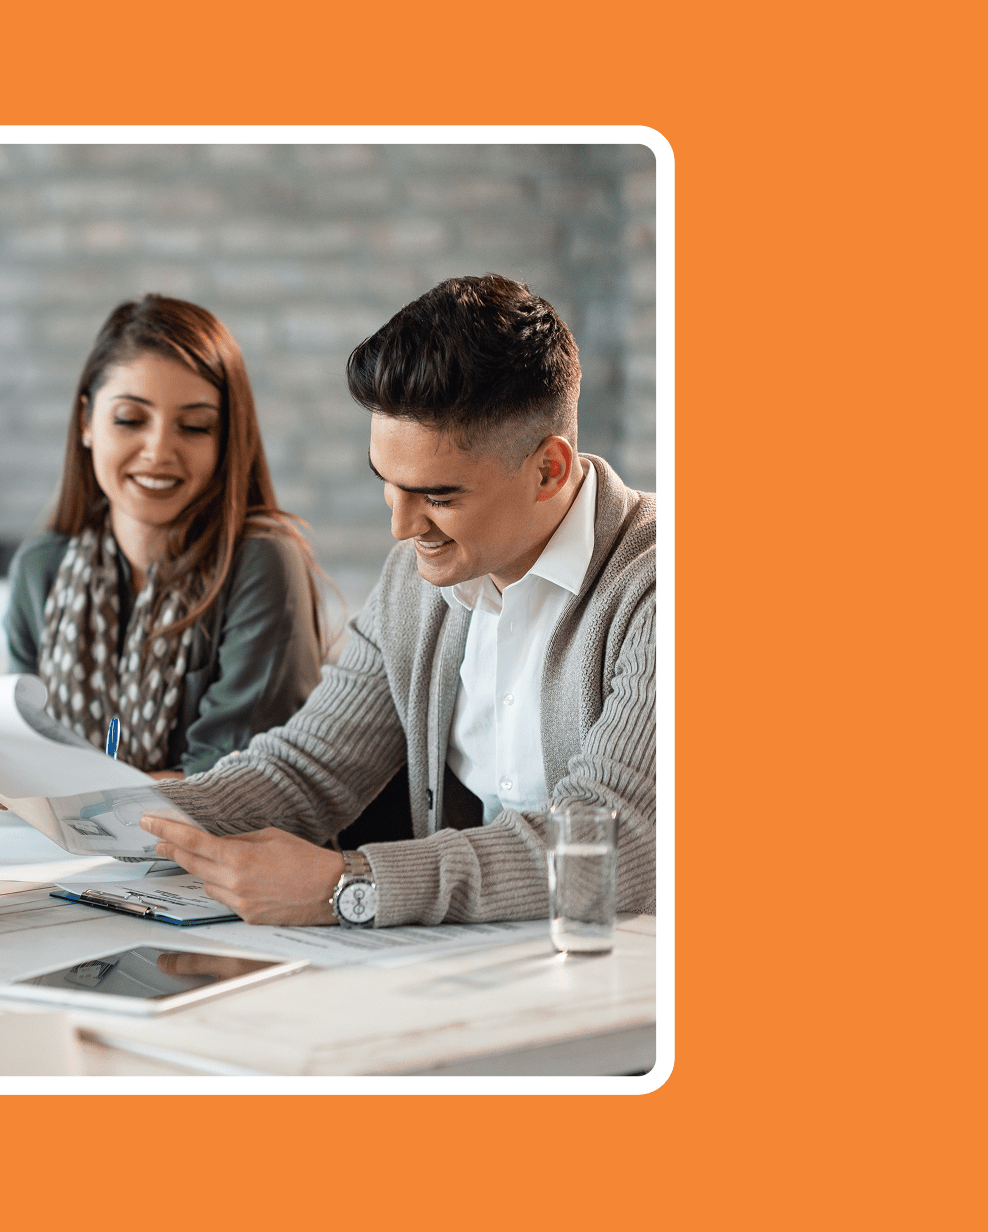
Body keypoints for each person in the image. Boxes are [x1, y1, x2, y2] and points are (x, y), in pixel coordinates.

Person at [138, 274, 657, 928]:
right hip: (486, 974)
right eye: (388, 483)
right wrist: (97, 806)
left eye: (438, 496)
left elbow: (614, 841)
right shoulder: (415, 582)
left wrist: (353, 885)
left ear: (548, 469)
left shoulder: (663, 585)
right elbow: (307, 770)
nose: (402, 527)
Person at [4, 295, 324, 780]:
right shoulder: (40, 568)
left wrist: (70, 793)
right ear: (87, 422)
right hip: (65, 849)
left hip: (220, 851)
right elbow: (22, 748)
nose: (158, 452)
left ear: (226, 439)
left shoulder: (262, 561)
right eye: (130, 420)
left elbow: (233, 779)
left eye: (195, 427)